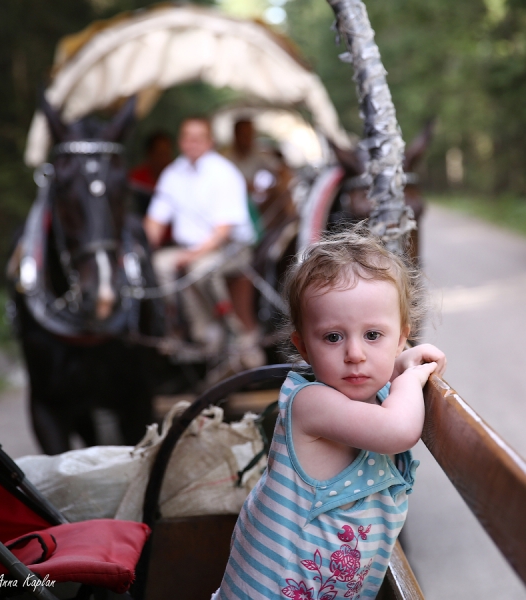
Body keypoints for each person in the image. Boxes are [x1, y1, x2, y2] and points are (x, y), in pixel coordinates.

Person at [212, 225, 446, 599]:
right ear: (303, 346)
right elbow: (398, 431)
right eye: (333, 337)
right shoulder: (311, 405)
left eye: (373, 336)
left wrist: (399, 367)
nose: (355, 354)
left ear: (402, 337)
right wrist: (407, 380)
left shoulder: (369, 396)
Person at [143, 116, 264, 367]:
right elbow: (155, 221)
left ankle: (225, 332)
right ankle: (175, 330)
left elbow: (224, 230)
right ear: (181, 141)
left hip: (231, 248)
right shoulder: (173, 173)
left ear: (210, 142)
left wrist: (193, 255)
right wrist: (140, 249)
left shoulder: (224, 172)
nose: (192, 143)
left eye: (198, 138)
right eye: (187, 138)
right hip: (190, 248)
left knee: (199, 270)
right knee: (156, 264)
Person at [129, 131, 173, 217]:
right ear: (149, 154)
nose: (164, 159)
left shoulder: (177, 178)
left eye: (166, 154)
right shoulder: (135, 180)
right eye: (160, 154)